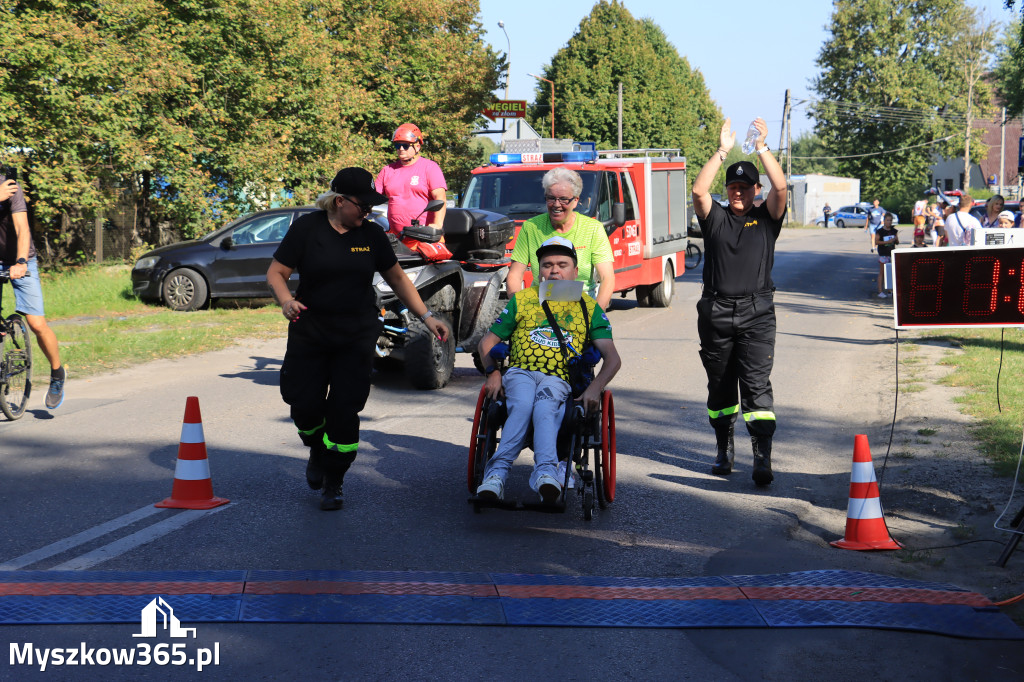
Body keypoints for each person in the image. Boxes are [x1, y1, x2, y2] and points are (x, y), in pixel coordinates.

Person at [267, 167, 449, 511]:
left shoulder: (373, 235)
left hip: (356, 333)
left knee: (345, 408)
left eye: (370, 207)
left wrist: (427, 317)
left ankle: (334, 479)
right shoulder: (307, 229)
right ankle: (318, 452)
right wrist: (286, 301)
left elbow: (396, 278)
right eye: (362, 206)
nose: (367, 212)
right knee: (302, 404)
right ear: (339, 202)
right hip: (311, 330)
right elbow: (276, 272)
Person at [475, 236, 621, 503]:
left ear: (575, 271)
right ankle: (496, 476)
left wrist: (594, 389)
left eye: (562, 264)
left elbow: (612, 358)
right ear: (537, 270)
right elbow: (487, 342)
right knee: (520, 406)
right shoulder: (522, 300)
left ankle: (545, 473)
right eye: (547, 264)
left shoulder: (589, 308)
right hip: (520, 371)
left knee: (544, 407)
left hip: (559, 377)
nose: (554, 270)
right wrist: (492, 372)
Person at [691, 117, 786, 486]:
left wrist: (761, 147)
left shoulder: (767, 218)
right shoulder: (715, 219)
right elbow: (699, 192)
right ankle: (723, 446)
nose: (738, 193)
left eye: (745, 188)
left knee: (756, 385)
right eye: (733, 186)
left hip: (757, 313)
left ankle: (762, 454)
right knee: (720, 386)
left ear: (755, 190)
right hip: (715, 313)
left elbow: (780, 186)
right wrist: (722, 151)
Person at [0, 171, 66, 409]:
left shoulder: (10, 188)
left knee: (37, 324)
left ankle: (57, 373)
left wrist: (20, 262)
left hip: (20, 259)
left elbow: (22, 229)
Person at [506, 167, 616, 311]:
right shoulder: (531, 227)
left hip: (581, 308)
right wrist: (520, 309)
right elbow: (515, 275)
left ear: (576, 201)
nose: (556, 205)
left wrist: (596, 316)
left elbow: (607, 278)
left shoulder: (593, 229)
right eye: (551, 198)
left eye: (564, 199)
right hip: (541, 309)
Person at [375, 123, 448, 238]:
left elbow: (440, 198)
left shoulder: (430, 168)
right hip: (396, 239)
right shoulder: (387, 170)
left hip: (424, 238)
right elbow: (371, 197)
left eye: (405, 145)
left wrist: (437, 226)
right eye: (397, 146)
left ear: (417, 146)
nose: (401, 149)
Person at [873, 213, 899, 298]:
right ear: (884, 221)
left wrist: (895, 239)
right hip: (883, 254)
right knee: (882, 273)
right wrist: (887, 242)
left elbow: (897, 242)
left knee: (891, 272)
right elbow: (876, 242)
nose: (889, 222)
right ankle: (880, 291)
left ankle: (890, 290)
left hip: (892, 253)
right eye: (887, 220)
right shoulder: (880, 231)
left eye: (890, 220)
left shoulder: (894, 230)